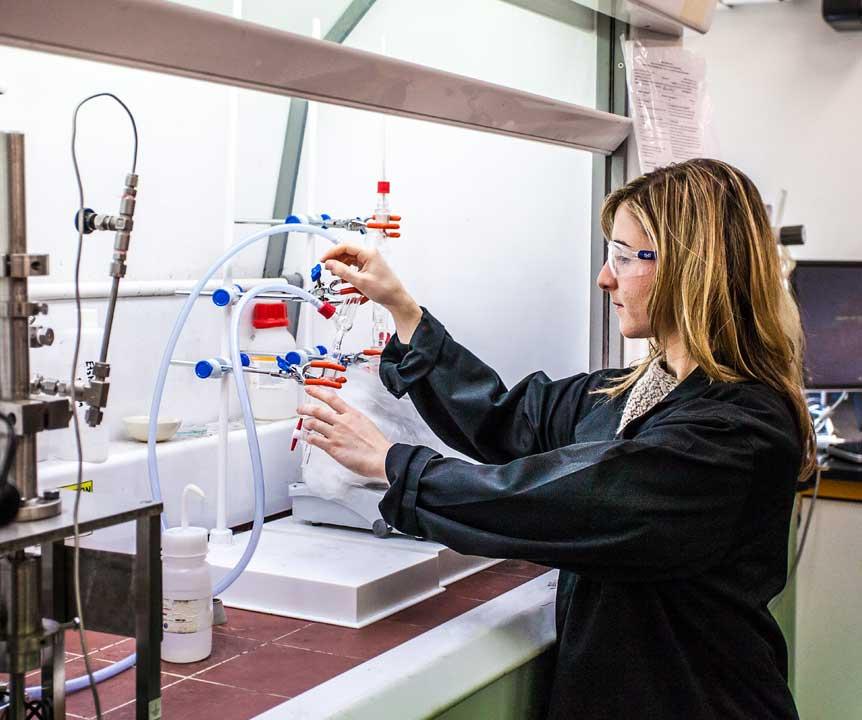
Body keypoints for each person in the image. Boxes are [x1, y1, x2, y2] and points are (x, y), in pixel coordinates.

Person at [298, 158, 815, 720]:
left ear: (693, 269)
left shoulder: (737, 429)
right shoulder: (640, 389)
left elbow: (565, 502)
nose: (604, 277)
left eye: (623, 255)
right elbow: (507, 418)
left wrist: (392, 465)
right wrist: (403, 310)